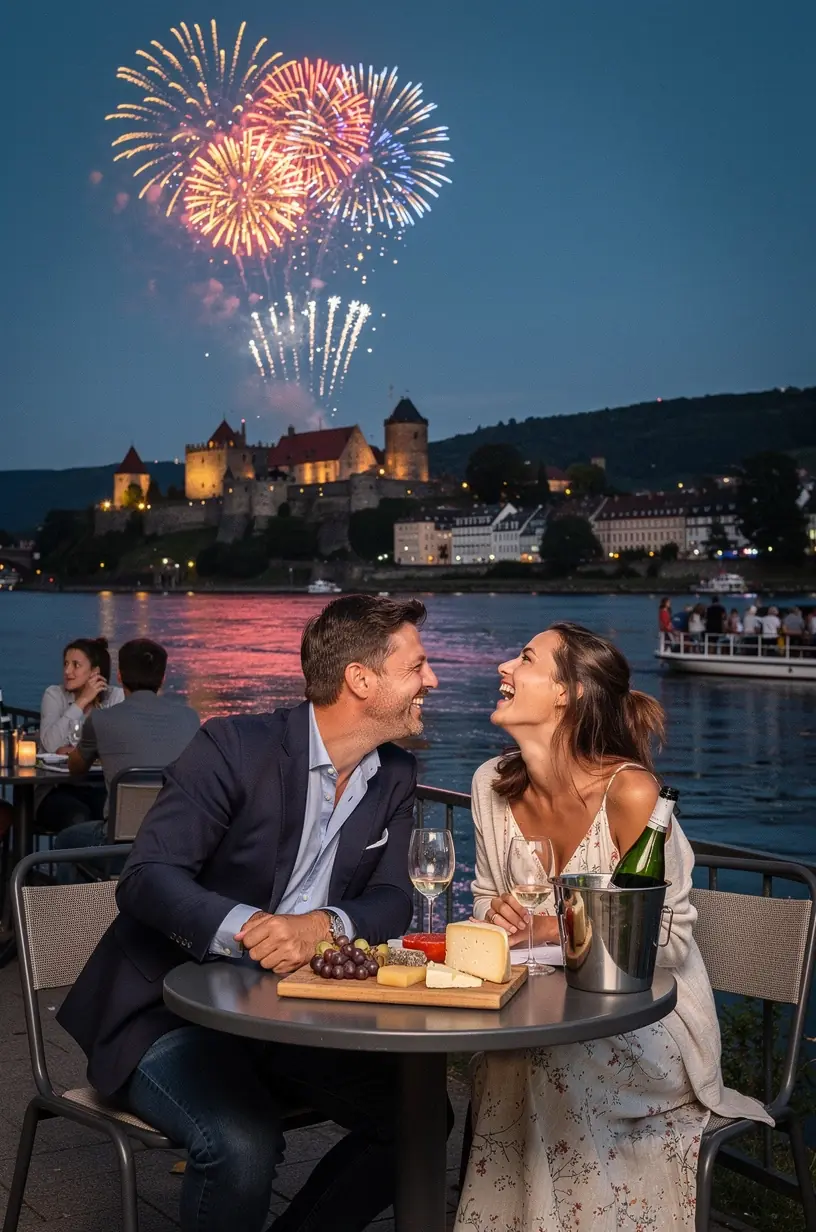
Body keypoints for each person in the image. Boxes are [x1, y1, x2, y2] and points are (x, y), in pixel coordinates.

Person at [57, 595, 441, 1232]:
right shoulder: (234, 746)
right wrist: (254, 929)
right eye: (418, 666)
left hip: (289, 1016)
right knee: (241, 1143)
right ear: (361, 680)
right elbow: (146, 878)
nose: (431, 679)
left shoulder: (395, 771)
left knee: (420, 1118)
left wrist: (321, 927)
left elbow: (395, 898)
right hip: (164, 1013)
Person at [455, 621, 769, 1232]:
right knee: (505, 1059)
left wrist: (551, 927)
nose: (503, 668)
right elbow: (485, 911)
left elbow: (670, 941)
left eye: (524, 659)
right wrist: (495, 921)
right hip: (542, 1011)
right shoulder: (489, 787)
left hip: (648, 1024)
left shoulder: (631, 794)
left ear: (568, 692)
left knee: (548, 1063)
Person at [54, 639, 200, 880]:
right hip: (175, 843)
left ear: (120, 677)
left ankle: (79, 914)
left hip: (121, 847)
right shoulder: (190, 718)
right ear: (162, 679)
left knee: (65, 841)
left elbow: (76, 768)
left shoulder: (101, 719)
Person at [36, 637, 124, 833]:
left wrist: (78, 751)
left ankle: (104, 864)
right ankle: (72, 864)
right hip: (58, 788)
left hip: (100, 785)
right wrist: (82, 702)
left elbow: (118, 746)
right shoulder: (54, 695)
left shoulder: (115, 697)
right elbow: (51, 745)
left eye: (76, 665)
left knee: (116, 814)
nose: (67, 671)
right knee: (78, 817)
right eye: (66, 664)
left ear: (95, 672)